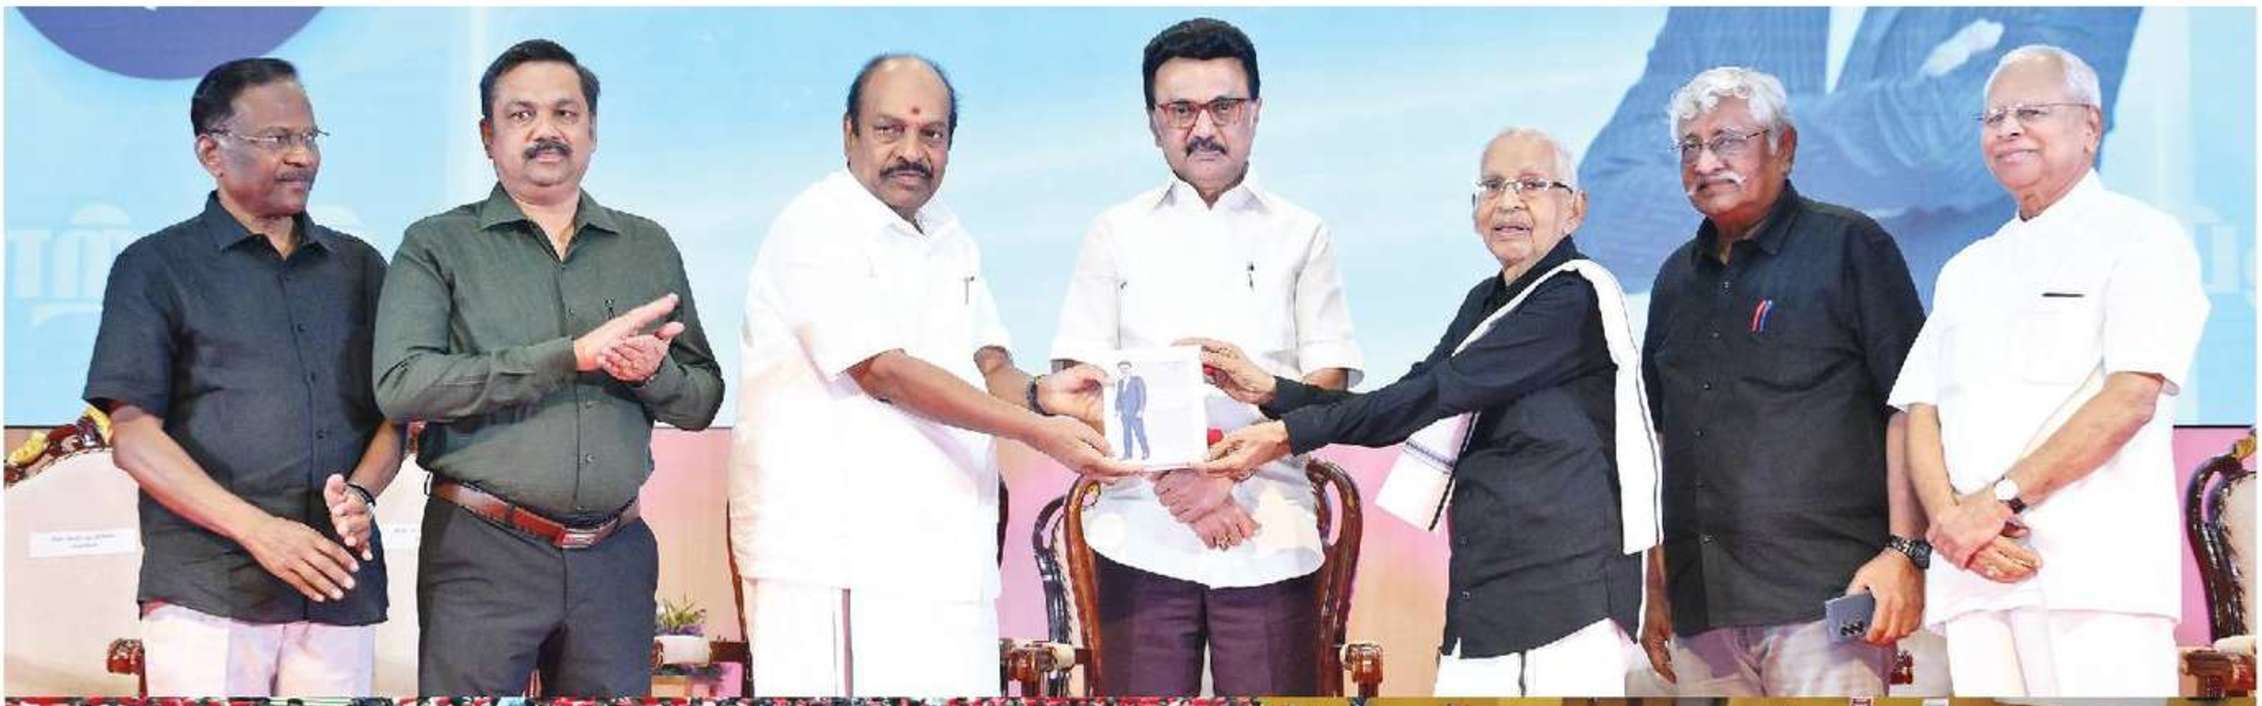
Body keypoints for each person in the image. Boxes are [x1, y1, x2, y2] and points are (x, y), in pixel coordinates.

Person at [726, 53, 1137, 697]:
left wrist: (1041, 395)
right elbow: (884, 372)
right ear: (849, 133)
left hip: (950, 559)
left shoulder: (950, 234)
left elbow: (989, 365)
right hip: (839, 561)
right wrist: (1035, 432)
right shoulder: (816, 225)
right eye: (889, 130)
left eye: (932, 134)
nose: (911, 152)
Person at [1197, 128, 1655, 697]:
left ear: (1576, 209)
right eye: (1493, 186)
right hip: (1486, 597)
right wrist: (1272, 391)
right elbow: (1407, 398)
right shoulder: (1487, 300)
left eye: (1532, 185)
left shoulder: (1573, 297)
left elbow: (1431, 396)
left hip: (1561, 605)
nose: (1508, 201)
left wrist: (1287, 434)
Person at [372, 39, 724, 696]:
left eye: (565, 113)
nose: (546, 131)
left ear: (592, 130)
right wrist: (570, 358)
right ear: (488, 135)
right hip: (482, 551)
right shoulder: (438, 243)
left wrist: (652, 374)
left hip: (616, 558)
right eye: (521, 114)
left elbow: (702, 400)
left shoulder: (645, 246)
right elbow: (403, 385)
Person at [1046, 17, 1364, 696]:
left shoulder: (1303, 233)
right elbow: (1077, 386)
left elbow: (1328, 383)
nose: (1203, 129)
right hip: (1141, 526)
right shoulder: (1114, 232)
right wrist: (1179, 482)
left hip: (1268, 526)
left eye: (1223, 107)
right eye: (1180, 110)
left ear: (1256, 111)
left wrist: (1229, 473)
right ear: (1153, 122)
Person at [1887, 44, 2208, 697]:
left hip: (2091, 582)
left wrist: (1995, 503)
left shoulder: (2144, 237)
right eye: (1993, 117)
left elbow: (2130, 399)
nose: (2007, 129)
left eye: (2030, 112)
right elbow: (1922, 408)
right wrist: (1951, 520)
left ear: (2090, 126)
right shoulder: (1967, 267)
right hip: (1973, 578)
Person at [84, 57, 400, 696]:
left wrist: (363, 495)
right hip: (210, 590)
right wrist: (260, 532)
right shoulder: (155, 266)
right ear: (211, 152)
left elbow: (396, 415)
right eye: (277, 138)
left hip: (338, 584)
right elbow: (134, 439)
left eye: (309, 137)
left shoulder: (360, 266)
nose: (301, 157)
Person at [1634, 66, 1932, 696]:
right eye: (1690, 146)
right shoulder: (1673, 280)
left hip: (1828, 600)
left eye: (1727, 140)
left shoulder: (1851, 246)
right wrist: (1655, 584)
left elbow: (1913, 409)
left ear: (1784, 147)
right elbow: (1660, 440)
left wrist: (1906, 552)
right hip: (1701, 612)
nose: (1705, 162)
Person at [1116, 361, 1151, 461]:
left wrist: (1141, 410)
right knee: (1126, 434)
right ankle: (1128, 454)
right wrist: (1117, 409)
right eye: (1122, 369)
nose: (1124, 371)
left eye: (1126, 368)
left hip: (1135, 413)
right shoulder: (1120, 382)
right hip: (1124, 414)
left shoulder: (1137, 380)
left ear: (1130, 369)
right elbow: (1118, 397)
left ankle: (1145, 452)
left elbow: (1142, 395)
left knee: (1139, 433)